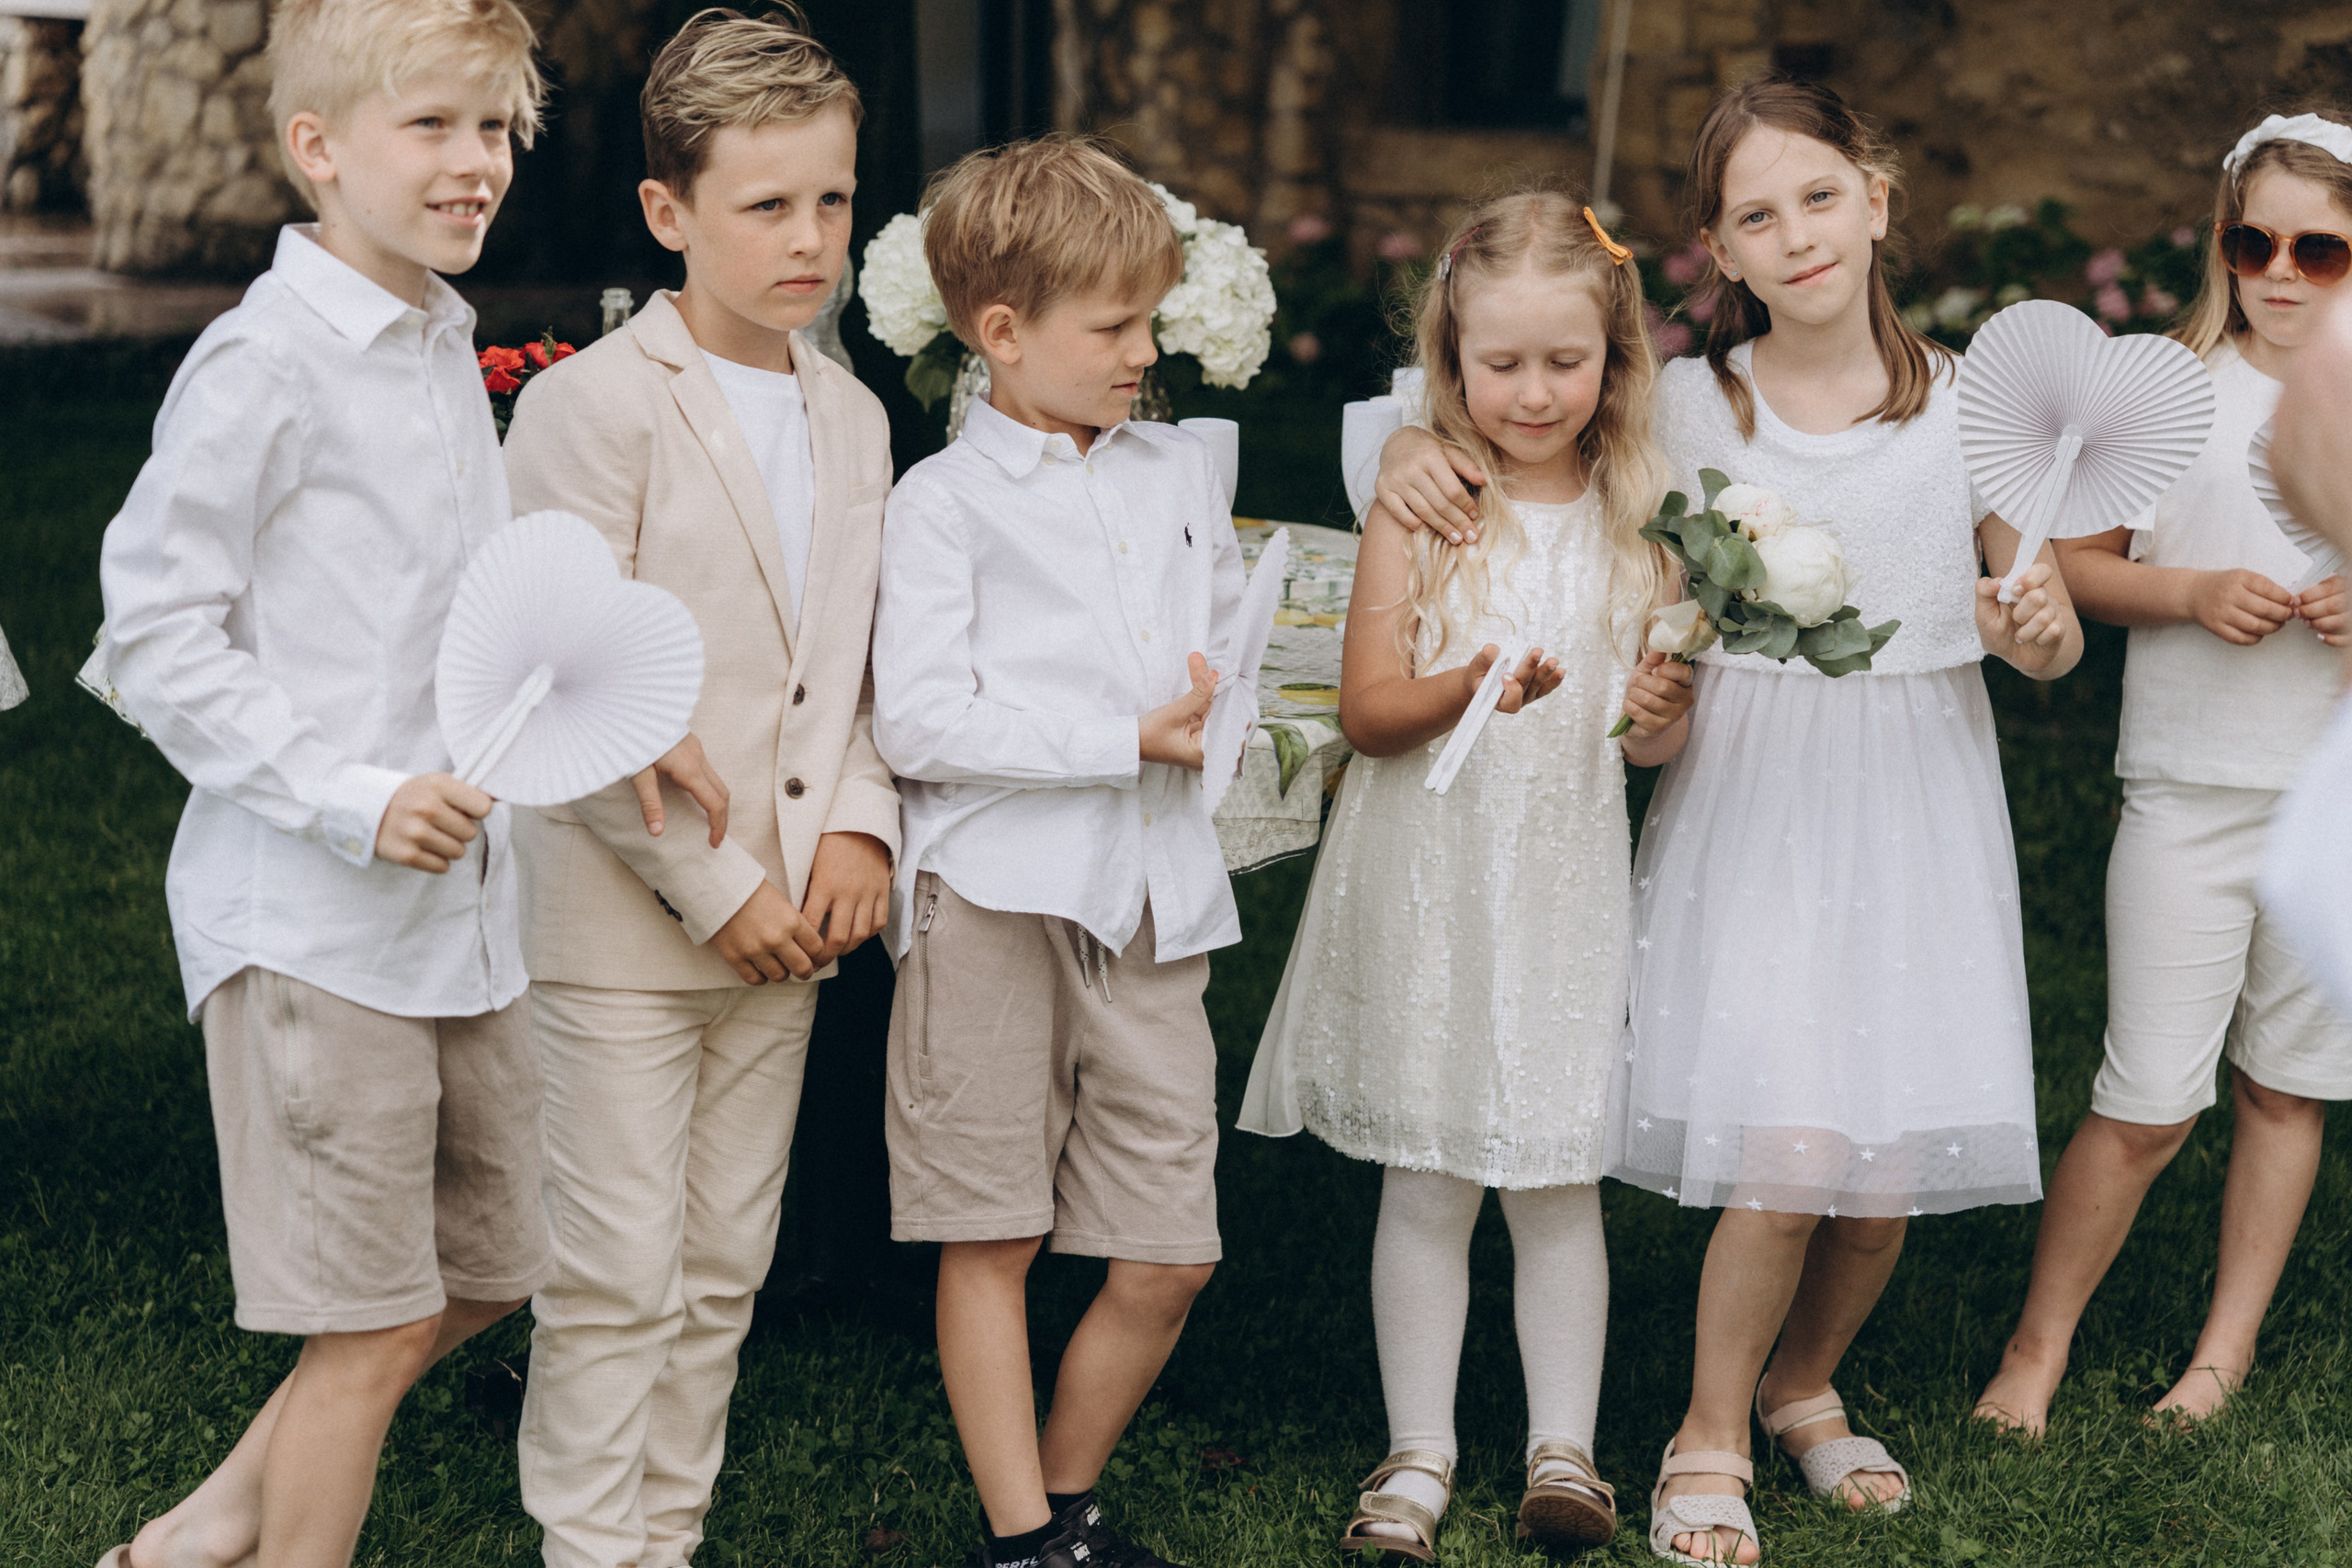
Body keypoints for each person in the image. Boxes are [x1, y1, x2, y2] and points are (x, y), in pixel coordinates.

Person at [1370, 78, 2079, 1564]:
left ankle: (1801, 1382)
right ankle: (1705, 1431)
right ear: (1720, 250)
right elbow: (1503, 437)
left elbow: (2048, 629)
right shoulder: (1692, 404)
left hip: (1917, 799)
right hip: (1757, 792)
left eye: (1819, 196)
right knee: (1794, 1144)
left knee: (1880, 1176)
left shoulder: (1973, 409)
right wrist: (1395, 453)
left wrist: (2040, 631)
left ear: (1876, 198)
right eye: (1758, 215)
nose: (1797, 233)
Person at [90, 3, 552, 1564]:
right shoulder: (264, 363)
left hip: (460, 924)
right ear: (319, 148)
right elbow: (154, 635)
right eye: (432, 125)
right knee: (369, 1324)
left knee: (487, 1269)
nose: (476, 160)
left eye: (493, 127)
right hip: (315, 925)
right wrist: (354, 795)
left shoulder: (440, 340)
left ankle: (195, 1537)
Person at [497, 10, 899, 1566]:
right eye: (767, 205)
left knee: (726, 1261)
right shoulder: (590, 407)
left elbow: (856, 661)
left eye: (833, 201)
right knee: (613, 1271)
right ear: (669, 212)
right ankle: (593, 1547)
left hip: (790, 924)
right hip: (627, 919)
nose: (809, 240)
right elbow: (565, 681)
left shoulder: (854, 415)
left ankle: (667, 1535)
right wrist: (717, 889)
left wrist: (857, 819)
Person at [1237, 191, 1692, 1562]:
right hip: (1430, 879)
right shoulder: (1426, 507)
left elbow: (1648, 746)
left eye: (1566, 361)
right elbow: (1370, 712)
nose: (1534, 392)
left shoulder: (1643, 528)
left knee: (1557, 1174)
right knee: (1428, 1173)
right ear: (1452, 356)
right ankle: (1418, 1452)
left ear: (1614, 360)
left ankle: (1567, 1451)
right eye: (1502, 364)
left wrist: (1659, 710)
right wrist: (1471, 687)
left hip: (1559, 879)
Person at [871, 134, 1244, 1568]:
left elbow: (1218, 639)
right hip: (994, 896)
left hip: (1150, 897)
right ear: (1003, 332)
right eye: (1115, 327)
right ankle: (1027, 1538)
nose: (1146, 352)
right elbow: (920, 719)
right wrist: (1118, 737)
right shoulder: (942, 502)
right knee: (994, 1233)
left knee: (1171, 1250)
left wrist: (1215, 707)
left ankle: (1065, 1495)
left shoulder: (1177, 472)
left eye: (1152, 320)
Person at [1973, 109, 2352, 1438]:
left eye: (2321, 250)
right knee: (2144, 1097)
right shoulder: (2175, 389)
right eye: (2256, 243)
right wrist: (2188, 591)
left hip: (2332, 801)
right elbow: (2072, 563)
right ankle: (2037, 1347)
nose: (2282, 273)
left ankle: (2220, 1360)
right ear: (2223, 244)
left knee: (2285, 1087)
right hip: (2188, 787)